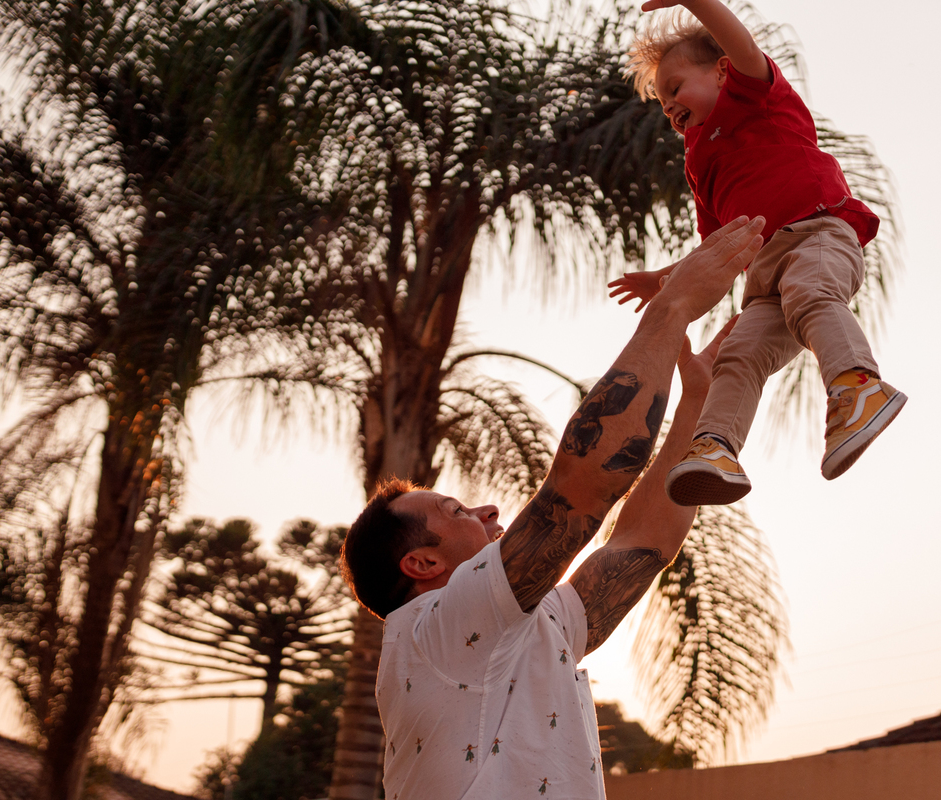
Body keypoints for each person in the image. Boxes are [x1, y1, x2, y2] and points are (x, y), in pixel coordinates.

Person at [340, 216, 763, 800]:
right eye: (455, 510)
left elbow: (641, 547)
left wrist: (696, 399)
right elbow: (581, 489)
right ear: (421, 565)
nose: (487, 509)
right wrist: (672, 307)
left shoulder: (530, 626)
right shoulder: (431, 630)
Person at [609, 0, 907, 506]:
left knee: (810, 292)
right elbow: (716, 246)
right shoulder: (700, 161)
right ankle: (716, 446)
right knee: (738, 356)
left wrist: (694, 2)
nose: (669, 108)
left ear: (722, 72)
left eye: (675, 88)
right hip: (764, 280)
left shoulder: (753, 97)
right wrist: (664, 276)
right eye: (663, 104)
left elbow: (741, 43)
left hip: (818, 233)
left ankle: (858, 385)